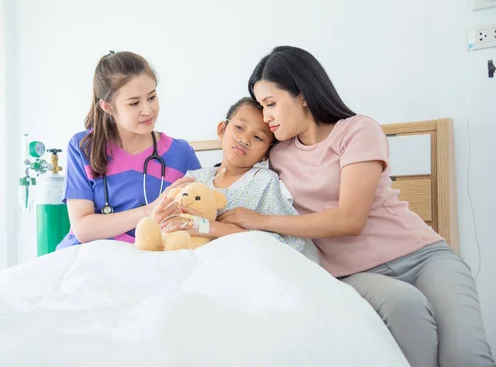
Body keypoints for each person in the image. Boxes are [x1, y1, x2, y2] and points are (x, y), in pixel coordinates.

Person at [218, 46, 495, 367]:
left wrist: (261, 221)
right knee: (406, 307)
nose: (266, 118)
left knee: (466, 356)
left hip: (424, 256)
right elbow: (237, 176)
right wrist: (194, 188)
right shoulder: (277, 155)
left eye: (270, 104)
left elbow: (350, 220)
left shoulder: (357, 130)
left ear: (303, 95)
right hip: (352, 273)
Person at [56, 50, 200, 249]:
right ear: (107, 107)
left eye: (151, 97)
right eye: (134, 103)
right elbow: (83, 229)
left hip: (151, 258)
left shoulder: (181, 154)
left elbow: (202, 213)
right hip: (90, 255)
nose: (147, 110)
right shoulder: (83, 147)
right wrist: (148, 211)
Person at [160, 96, 311, 255]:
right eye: (239, 127)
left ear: (266, 153)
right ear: (222, 129)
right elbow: (172, 225)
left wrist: (211, 227)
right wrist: (161, 218)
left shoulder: (265, 182)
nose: (244, 139)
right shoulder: (194, 179)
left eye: (258, 137)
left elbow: (289, 245)